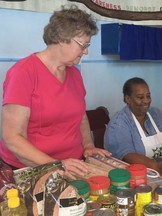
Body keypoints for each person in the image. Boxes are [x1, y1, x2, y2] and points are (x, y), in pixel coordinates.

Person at [0, 5, 110, 180]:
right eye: (83, 45)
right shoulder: (23, 73)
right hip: (32, 169)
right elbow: (13, 137)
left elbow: (80, 116)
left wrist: (88, 145)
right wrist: (56, 164)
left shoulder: (74, 73)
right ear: (61, 39)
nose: (86, 51)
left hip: (72, 164)